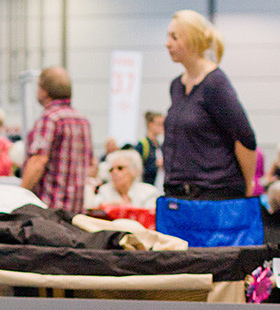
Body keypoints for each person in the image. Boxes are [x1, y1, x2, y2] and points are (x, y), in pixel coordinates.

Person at [162, 9, 257, 199]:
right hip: (179, 192)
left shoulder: (214, 84)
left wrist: (247, 186)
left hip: (214, 194)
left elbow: (246, 138)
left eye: (174, 37)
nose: (167, 43)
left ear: (192, 40)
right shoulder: (176, 86)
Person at [21, 66, 93, 213]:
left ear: (44, 91)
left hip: (51, 209)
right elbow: (91, 165)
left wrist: (20, 195)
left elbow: (38, 161)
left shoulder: (50, 118)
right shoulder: (82, 120)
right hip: (76, 209)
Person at [90, 149, 161, 209]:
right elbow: (93, 208)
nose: (114, 172)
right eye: (111, 169)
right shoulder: (104, 190)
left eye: (120, 168)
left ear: (134, 171)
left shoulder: (148, 193)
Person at [135, 111, 164, 186]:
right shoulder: (142, 144)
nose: (162, 127)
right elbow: (137, 170)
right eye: (159, 124)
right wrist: (156, 165)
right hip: (145, 188)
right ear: (150, 125)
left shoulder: (159, 145)